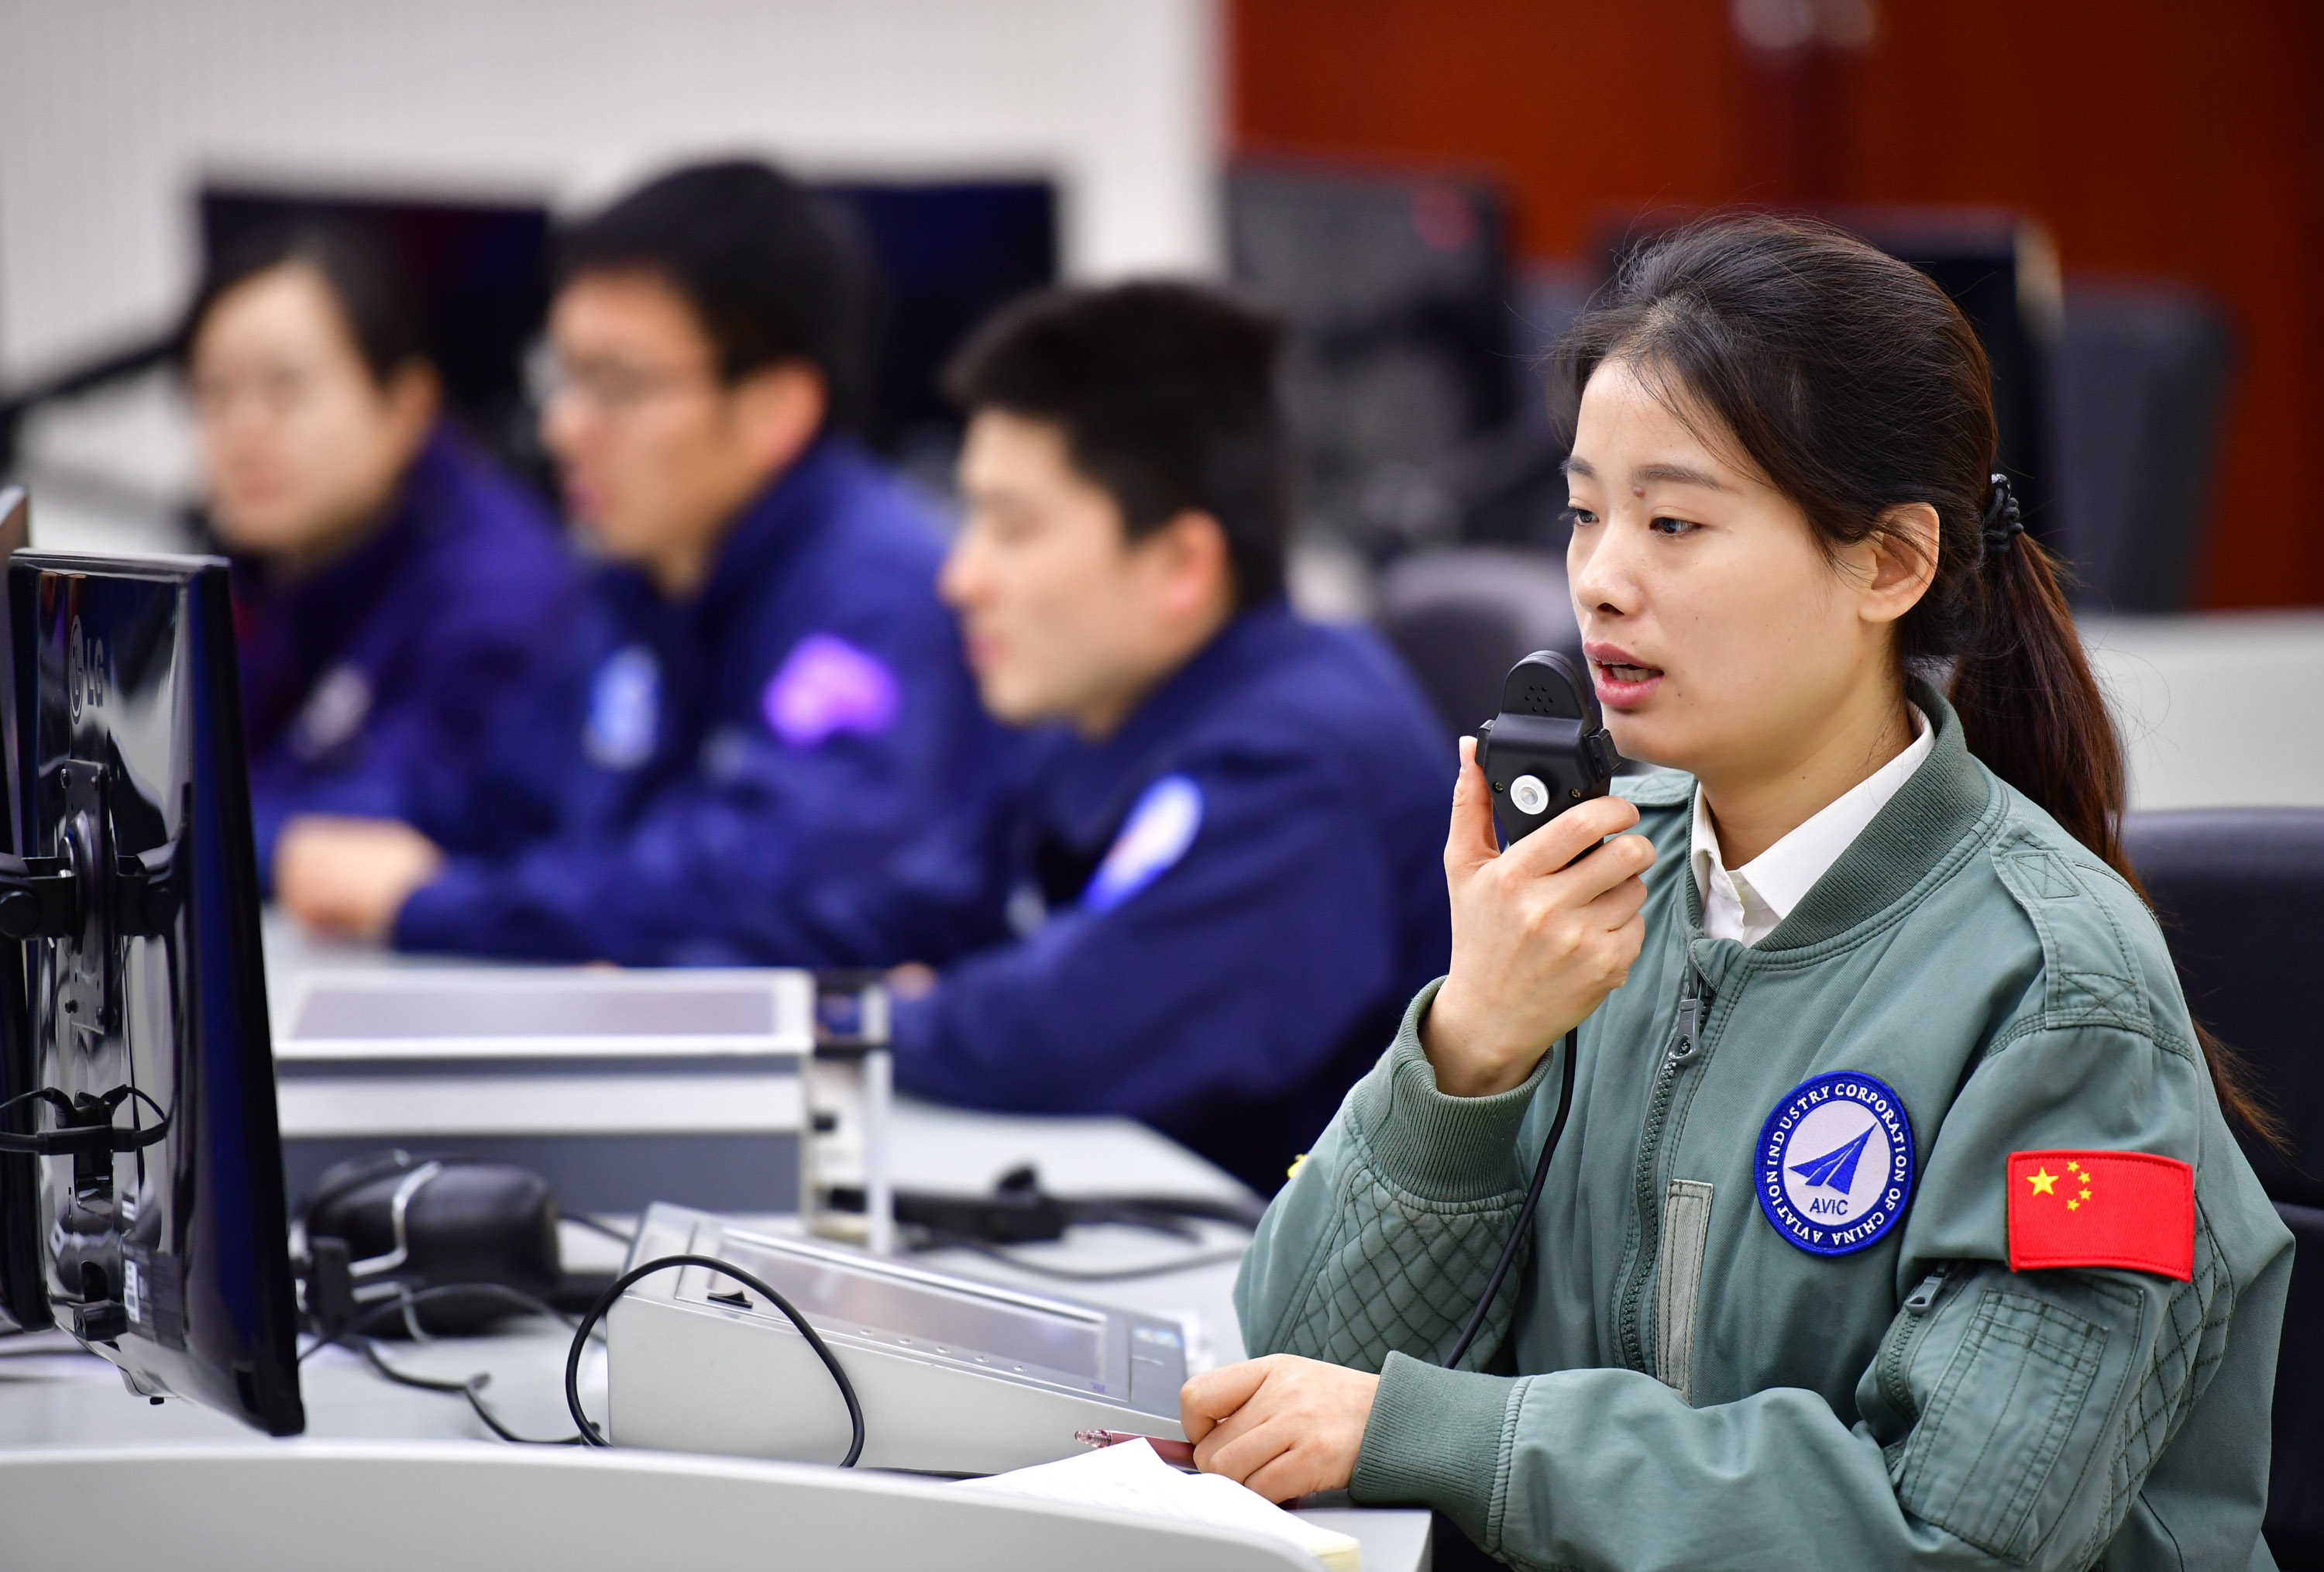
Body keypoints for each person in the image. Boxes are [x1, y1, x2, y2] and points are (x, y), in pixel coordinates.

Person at [1180, 218, 2291, 1568]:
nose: (1600, 576)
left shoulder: (2068, 1002)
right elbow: (1300, 1365)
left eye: (1675, 521)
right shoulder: (1597, 878)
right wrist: (1473, 1044)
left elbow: (1946, 1530)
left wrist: (1464, 1435)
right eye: (1585, 511)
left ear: (1890, 561)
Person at [273, 160, 1010, 966]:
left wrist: (434, 902)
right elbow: (501, 801)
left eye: (613, 384)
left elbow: (760, 873)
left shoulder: (884, 596)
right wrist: (273, 837)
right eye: (560, 378)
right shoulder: (637, 584)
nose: (563, 427)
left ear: (777, 409)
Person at [889, 282, 1453, 1195]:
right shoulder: (1112, 705)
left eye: (1014, 526)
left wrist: (877, 1019)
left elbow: (1071, 1035)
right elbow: (933, 905)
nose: (961, 577)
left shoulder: (1299, 764)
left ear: (1183, 566)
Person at [183, 224, 576, 885]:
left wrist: (165, 830)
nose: (241, 433)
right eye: (214, 394)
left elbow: (389, 822)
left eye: (285, 391)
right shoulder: (274, 557)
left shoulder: (501, 592)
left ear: (406, 406)